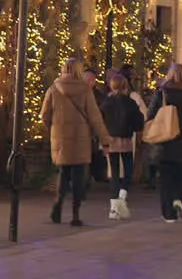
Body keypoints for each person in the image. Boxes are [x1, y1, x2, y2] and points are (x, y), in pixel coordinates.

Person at [40, 57, 111, 227]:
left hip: (61, 139)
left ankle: (57, 206)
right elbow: (95, 117)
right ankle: (75, 214)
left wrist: (53, 128)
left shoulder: (53, 89)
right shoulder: (85, 90)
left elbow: (44, 115)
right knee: (79, 177)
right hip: (81, 140)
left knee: (63, 173)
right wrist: (105, 140)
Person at [148, 63, 182, 222]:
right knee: (180, 172)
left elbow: (150, 114)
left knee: (165, 177)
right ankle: (178, 199)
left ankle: (168, 213)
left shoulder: (162, 93)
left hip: (164, 138)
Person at [100, 72, 145, 220]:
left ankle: (113, 208)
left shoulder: (106, 103)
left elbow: (101, 121)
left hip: (110, 140)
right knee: (128, 170)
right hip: (125, 139)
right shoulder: (130, 102)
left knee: (114, 172)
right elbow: (139, 121)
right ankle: (122, 196)